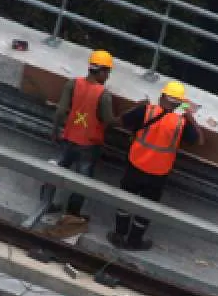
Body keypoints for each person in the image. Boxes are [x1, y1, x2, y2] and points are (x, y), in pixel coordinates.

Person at [112, 80, 204, 249]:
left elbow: (119, 121)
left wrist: (136, 106)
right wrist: (189, 117)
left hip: (136, 165)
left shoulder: (146, 111)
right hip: (157, 174)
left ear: (162, 97)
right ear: (180, 103)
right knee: (147, 208)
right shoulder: (180, 123)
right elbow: (198, 140)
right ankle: (134, 241)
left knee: (124, 200)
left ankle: (119, 235)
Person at [43, 49, 119, 221]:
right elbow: (109, 120)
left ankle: (46, 203)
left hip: (68, 138)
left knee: (56, 170)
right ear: (101, 71)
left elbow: (61, 111)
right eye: (107, 72)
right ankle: (72, 214)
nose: (107, 76)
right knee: (82, 182)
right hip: (89, 145)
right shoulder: (104, 94)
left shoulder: (73, 84)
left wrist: (55, 131)